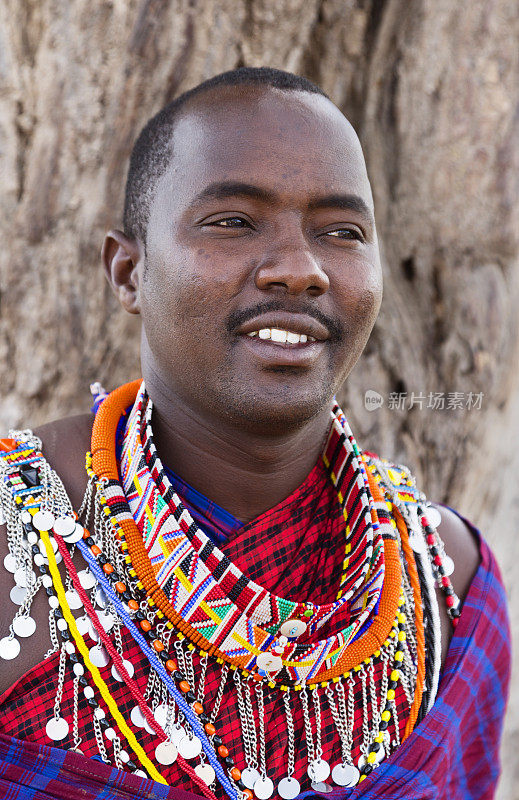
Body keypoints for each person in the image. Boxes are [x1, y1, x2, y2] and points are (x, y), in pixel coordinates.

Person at [0, 67, 510, 800]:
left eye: (341, 232)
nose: (300, 271)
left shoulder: (448, 585)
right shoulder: (16, 544)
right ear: (128, 271)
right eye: (233, 222)